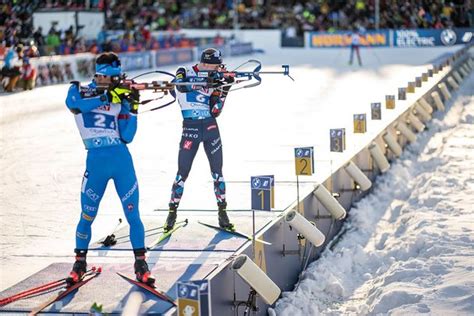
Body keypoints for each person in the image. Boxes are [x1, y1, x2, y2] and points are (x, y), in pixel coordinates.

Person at [65, 52, 154, 286]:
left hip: (121, 161)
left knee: (133, 215)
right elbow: (73, 105)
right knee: (87, 215)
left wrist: (132, 107)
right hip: (96, 162)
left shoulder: (120, 96)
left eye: (118, 78)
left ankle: (141, 264)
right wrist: (105, 96)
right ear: (101, 75)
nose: (117, 81)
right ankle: (79, 263)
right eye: (112, 78)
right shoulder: (79, 90)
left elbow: (128, 136)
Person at [164, 48, 234, 232]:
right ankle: (171, 213)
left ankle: (222, 213)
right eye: (214, 66)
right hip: (190, 129)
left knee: (217, 172)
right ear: (205, 63)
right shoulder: (184, 71)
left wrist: (224, 88)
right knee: (182, 173)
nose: (216, 69)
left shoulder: (216, 78)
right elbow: (180, 87)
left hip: (210, 128)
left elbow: (215, 112)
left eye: (218, 66)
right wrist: (203, 82)